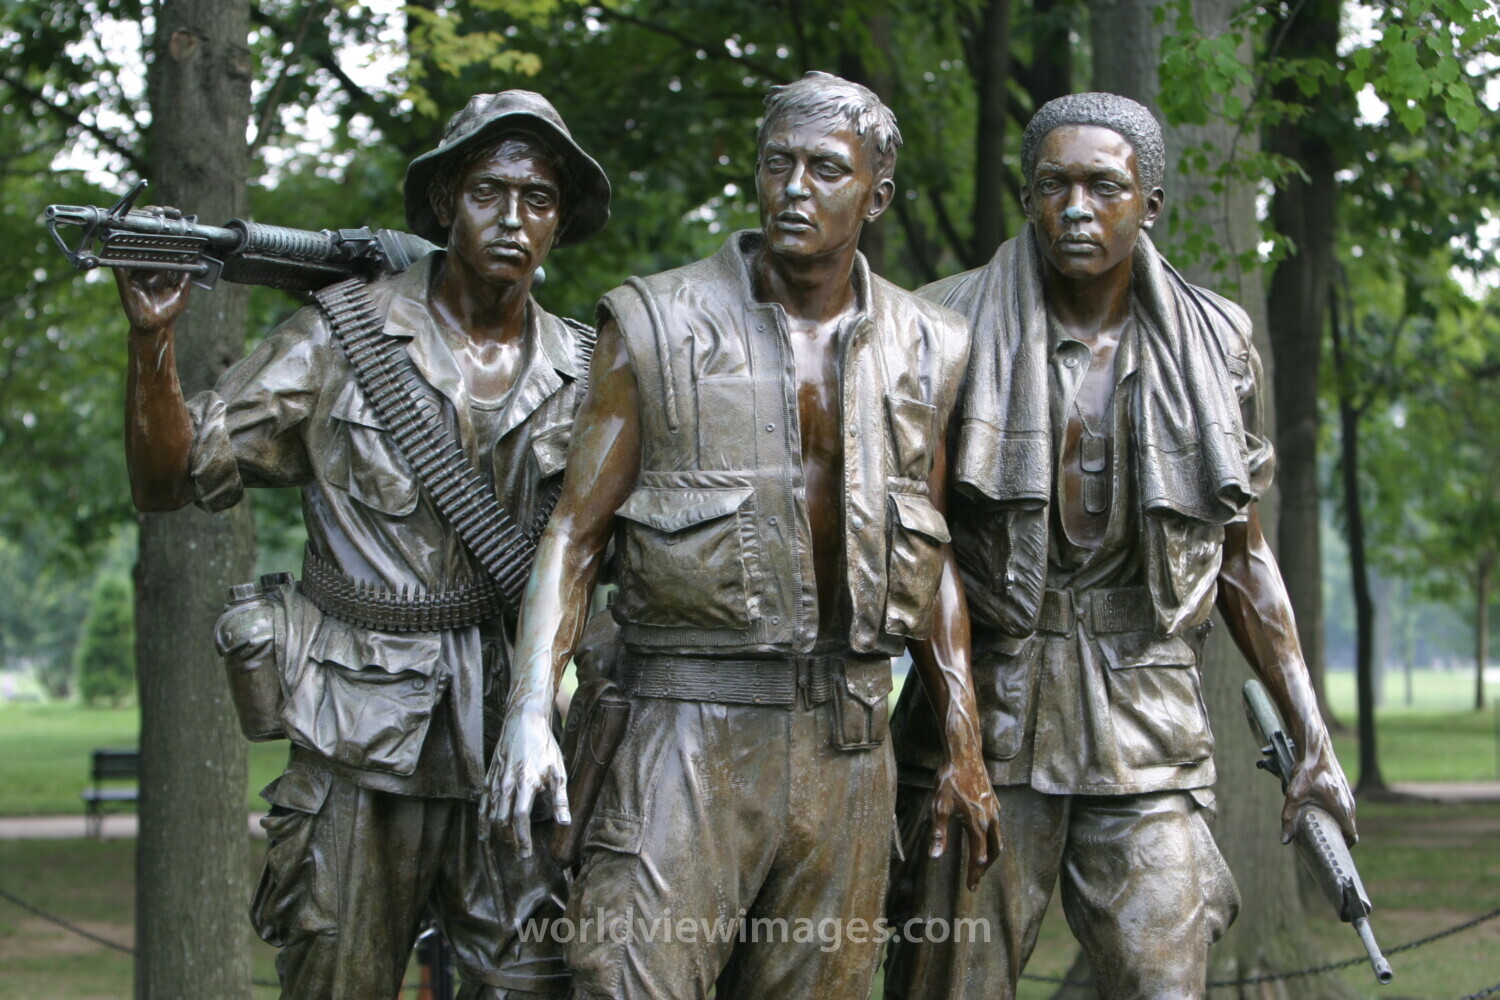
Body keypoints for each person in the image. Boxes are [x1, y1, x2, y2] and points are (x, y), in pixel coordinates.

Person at [484, 71, 1000, 1000]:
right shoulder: (653, 322)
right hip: (684, 725)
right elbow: (574, 531)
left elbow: (930, 552)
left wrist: (962, 740)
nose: (795, 187)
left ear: (876, 195)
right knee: (628, 984)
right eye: (778, 163)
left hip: (848, 740)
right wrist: (530, 706)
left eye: (826, 169)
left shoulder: (933, 345)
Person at [115, 90, 610, 1000]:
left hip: (515, 731)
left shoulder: (588, 372)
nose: (511, 219)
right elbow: (166, 480)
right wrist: (154, 342)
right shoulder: (341, 337)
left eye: (537, 199)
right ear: (441, 205)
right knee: (336, 976)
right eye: (487, 191)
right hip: (358, 731)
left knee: (538, 984)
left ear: (561, 221)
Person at [885, 92, 1359, 999]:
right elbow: (922, 539)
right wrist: (957, 739)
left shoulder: (1217, 341)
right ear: (1027, 199)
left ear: (1150, 204)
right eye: (1053, 185)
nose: (1076, 208)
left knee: (1166, 980)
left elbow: (1242, 552)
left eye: (1104, 186)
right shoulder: (941, 326)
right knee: (948, 982)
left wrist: (1310, 732)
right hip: (988, 710)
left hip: (1147, 716)